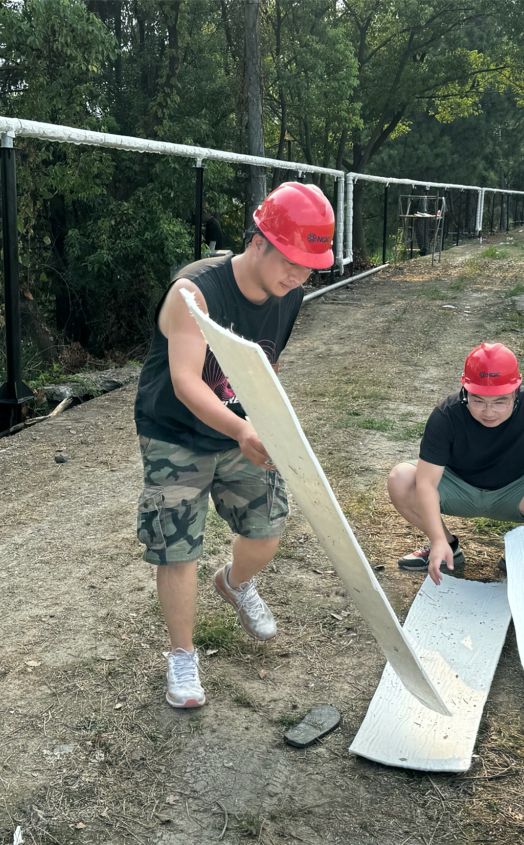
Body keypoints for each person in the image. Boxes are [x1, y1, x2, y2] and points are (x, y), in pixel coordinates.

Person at [134, 182, 334, 708]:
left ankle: (235, 582)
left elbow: (263, 368)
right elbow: (186, 381)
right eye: (292, 259)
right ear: (259, 240)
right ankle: (182, 657)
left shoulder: (289, 297)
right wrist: (242, 430)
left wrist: (265, 424)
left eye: (310, 267)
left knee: (267, 527)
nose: (299, 275)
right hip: (175, 434)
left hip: (242, 429)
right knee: (178, 549)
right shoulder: (194, 292)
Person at [387, 342, 524, 586]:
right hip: (458, 487)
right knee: (401, 478)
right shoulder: (447, 414)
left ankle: (520, 552)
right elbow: (426, 483)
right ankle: (448, 547)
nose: (489, 412)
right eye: (478, 401)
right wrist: (437, 539)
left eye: (500, 402)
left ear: (516, 392)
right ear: (465, 390)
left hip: (516, 489)